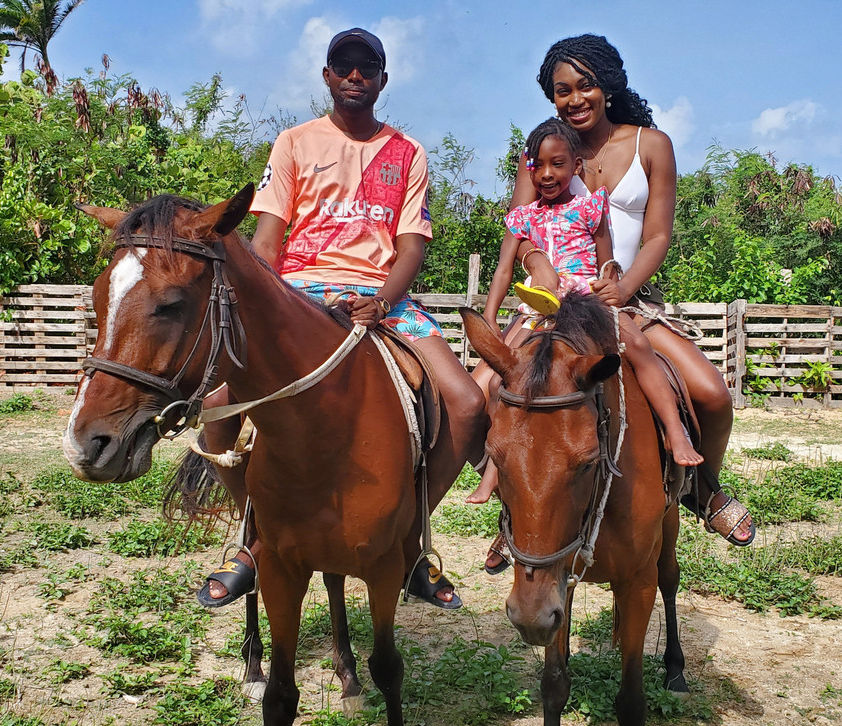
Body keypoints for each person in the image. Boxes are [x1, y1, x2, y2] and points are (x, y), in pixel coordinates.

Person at [197, 27, 486, 609]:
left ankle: (410, 538)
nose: (356, 75)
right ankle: (253, 535)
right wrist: (272, 302)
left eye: (367, 67)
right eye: (344, 65)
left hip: (383, 297)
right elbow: (268, 241)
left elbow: (411, 248)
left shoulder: (408, 152)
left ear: (382, 79)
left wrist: (381, 300)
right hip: (299, 290)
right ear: (327, 76)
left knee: (467, 403)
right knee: (216, 409)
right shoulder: (294, 142)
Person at [478, 34, 754, 573]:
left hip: (625, 300)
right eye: (562, 90)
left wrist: (623, 288)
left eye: (585, 85)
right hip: (550, 304)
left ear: (608, 84)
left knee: (712, 393)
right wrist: (537, 264)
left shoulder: (652, 144)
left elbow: (657, 236)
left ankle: (703, 487)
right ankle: (518, 509)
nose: (575, 98)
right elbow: (520, 232)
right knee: (479, 395)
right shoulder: (542, 153)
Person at [467, 117, 702, 505]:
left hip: (587, 303)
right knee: (498, 381)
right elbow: (504, 269)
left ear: (576, 167)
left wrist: (612, 283)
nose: (547, 174)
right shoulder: (523, 217)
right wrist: (490, 316)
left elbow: (607, 261)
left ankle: (675, 430)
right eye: (539, 166)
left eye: (557, 164)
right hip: (540, 310)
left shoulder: (591, 208)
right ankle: (496, 467)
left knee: (638, 347)